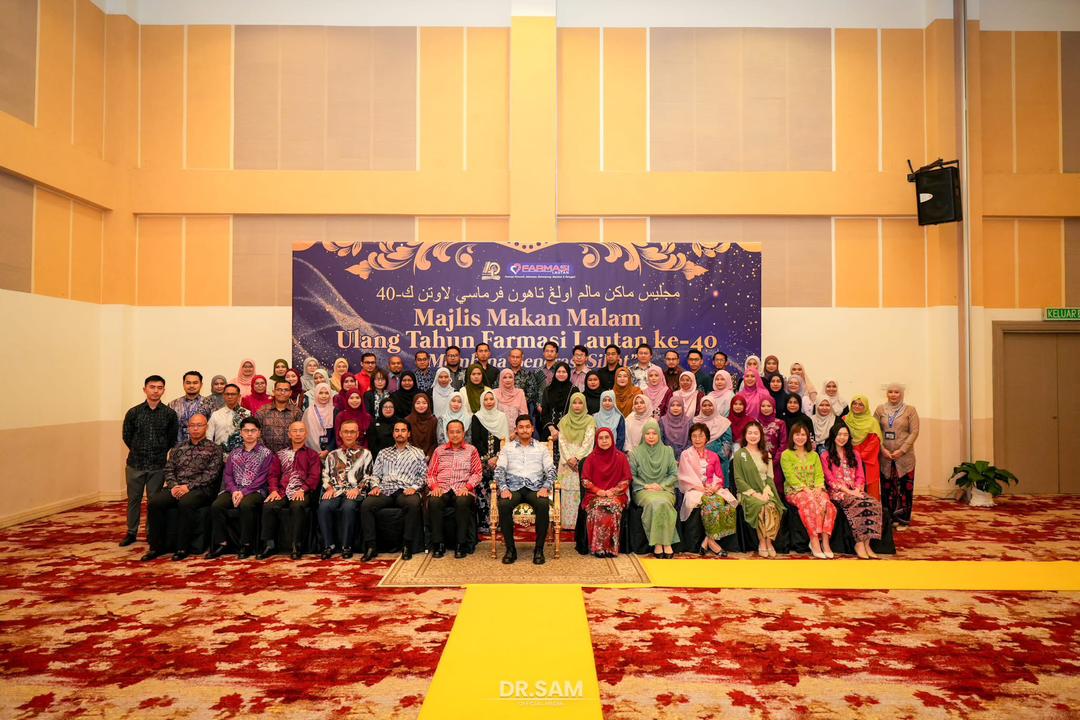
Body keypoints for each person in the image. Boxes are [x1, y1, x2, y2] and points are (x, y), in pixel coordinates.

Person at [142, 413, 222, 561]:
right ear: (188, 428)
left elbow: (211, 474)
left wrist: (188, 487)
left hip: (201, 489)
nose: (195, 429)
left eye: (199, 425)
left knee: (185, 503)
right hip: (176, 487)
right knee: (155, 502)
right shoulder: (178, 448)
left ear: (206, 427)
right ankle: (156, 547)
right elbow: (169, 469)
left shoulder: (215, 449)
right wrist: (173, 486)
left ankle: (182, 547)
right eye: (192, 425)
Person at [120, 375, 179, 547]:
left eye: (159, 388)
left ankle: (151, 532)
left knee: (154, 501)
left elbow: (171, 438)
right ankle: (131, 532)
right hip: (135, 464)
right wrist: (139, 450)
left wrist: (158, 451)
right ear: (145, 389)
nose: (155, 391)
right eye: (152, 387)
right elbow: (127, 436)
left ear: (164, 391)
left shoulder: (169, 414)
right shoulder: (133, 412)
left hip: (158, 465)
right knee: (134, 499)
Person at [207, 417, 278, 559]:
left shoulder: (266, 454)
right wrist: (235, 490)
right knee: (217, 505)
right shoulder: (234, 453)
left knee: (246, 505)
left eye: (253, 431)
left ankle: (246, 544)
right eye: (246, 430)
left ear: (259, 433)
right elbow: (228, 475)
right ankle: (222, 543)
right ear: (241, 433)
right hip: (234, 489)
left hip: (256, 490)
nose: (249, 434)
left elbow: (262, 478)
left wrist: (244, 492)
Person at [361, 419, 428, 561]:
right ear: (393, 434)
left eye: (403, 430)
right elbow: (375, 474)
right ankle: (371, 546)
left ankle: (407, 545)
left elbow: (423, 476)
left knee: (413, 503)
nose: (400, 433)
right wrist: (375, 487)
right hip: (385, 490)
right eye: (397, 430)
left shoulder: (418, 453)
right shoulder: (383, 453)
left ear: (409, 434)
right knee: (367, 505)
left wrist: (414, 488)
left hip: (406, 490)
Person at [495, 415, 556, 565]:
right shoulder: (507, 448)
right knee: (504, 504)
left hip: (535, 488)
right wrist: (503, 488)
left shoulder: (541, 448)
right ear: (516, 430)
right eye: (521, 427)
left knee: (543, 504)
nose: (524, 430)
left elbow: (551, 470)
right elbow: (499, 470)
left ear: (532, 429)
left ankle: (539, 550)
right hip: (513, 488)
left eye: (527, 427)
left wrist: (545, 487)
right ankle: (510, 549)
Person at [257, 421, 322, 560]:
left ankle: (296, 545)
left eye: (301, 431)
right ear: (289, 434)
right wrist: (273, 490)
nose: (298, 434)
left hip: (302, 491)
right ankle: (269, 545)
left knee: (297, 506)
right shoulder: (280, 454)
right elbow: (273, 475)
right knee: (269, 505)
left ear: (306, 434)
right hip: (282, 490)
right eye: (295, 431)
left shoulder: (312, 455)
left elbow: (314, 476)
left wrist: (303, 489)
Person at [821, 423, 883, 559]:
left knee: (874, 503)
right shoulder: (826, 455)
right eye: (839, 434)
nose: (842, 437)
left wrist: (857, 489)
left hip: (855, 490)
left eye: (845, 435)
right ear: (833, 436)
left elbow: (860, 475)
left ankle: (867, 544)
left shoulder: (854, 454)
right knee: (858, 504)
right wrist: (850, 492)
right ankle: (859, 543)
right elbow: (830, 480)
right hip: (838, 492)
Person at [426, 419, 483, 558]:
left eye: (458, 432)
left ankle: (461, 544)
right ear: (447, 434)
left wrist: (468, 486)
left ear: (463, 433)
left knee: (462, 501)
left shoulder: (471, 450)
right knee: (434, 501)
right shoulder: (439, 451)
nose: (455, 435)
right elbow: (431, 473)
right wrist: (435, 486)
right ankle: (438, 543)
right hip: (442, 487)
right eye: (452, 432)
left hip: (463, 487)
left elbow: (477, 473)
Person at [678, 423, 738, 556]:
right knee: (710, 503)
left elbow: (719, 476)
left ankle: (708, 540)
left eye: (701, 436)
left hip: (711, 488)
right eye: (694, 436)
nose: (697, 439)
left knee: (726, 503)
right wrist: (702, 488)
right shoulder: (686, 455)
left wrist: (713, 488)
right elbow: (685, 476)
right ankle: (713, 543)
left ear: (707, 438)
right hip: (694, 488)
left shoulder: (713, 455)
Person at [317, 419, 373, 559]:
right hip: (335, 491)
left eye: (352, 432)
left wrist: (358, 489)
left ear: (357, 434)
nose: (349, 435)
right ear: (340, 434)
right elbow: (325, 475)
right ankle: (329, 546)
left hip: (355, 491)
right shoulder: (332, 455)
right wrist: (329, 488)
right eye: (346, 432)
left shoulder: (366, 454)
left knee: (348, 507)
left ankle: (346, 546)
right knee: (324, 507)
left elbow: (368, 476)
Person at [781, 421, 836, 559]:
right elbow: (790, 477)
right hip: (795, 491)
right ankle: (814, 540)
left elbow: (819, 475)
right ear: (792, 436)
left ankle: (825, 541)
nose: (800, 437)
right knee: (811, 503)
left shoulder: (814, 455)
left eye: (803, 435)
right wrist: (805, 489)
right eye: (797, 434)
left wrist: (818, 488)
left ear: (808, 437)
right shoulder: (786, 455)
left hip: (815, 489)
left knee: (828, 505)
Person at [733, 421, 785, 557]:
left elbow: (770, 477)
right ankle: (762, 541)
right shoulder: (740, 454)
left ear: (761, 435)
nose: (753, 436)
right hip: (747, 493)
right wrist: (756, 494)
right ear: (745, 435)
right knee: (762, 507)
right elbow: (738, 479)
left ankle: (769, 541)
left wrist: (766, 492)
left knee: (772, 506)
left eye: (756, 433)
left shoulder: (766, 454)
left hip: (765, 490)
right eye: (749, 433)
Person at [630, 420, 679, 558]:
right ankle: (659, 543)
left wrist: (661, 486)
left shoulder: (667, 451)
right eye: (647, 433)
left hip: (665, 489)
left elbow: (674, 474)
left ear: (659, 434)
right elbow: (632, 476)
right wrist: (646, 486)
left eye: (654, 433)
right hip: (642, 490)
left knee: (663, 502)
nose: (651, 436)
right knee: (654, 503)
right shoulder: (635, 453)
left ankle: (666, 543)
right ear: (643, 435)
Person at [580, 427, 631, 558]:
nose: (604, 441)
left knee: (612, 506)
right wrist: (598, 491)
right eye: (601, 438)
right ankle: (598, 548)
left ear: (612, 439)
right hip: (594, 496)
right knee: (599, 507)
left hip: (617, 495)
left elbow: (626, 479)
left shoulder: (621, 457)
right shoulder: (591, 458)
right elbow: (585, 480)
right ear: (596, 441)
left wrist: (613, 491)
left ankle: (611, 548)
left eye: (607, 437)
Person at [875, 383, 920, 526]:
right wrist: (882, 450)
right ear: (886, 394)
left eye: (896, 392)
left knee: (904, 489)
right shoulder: (880, 409)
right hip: (885, 457)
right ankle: (889, 520)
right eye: (890, 392)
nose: (893, 395)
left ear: (902, 394)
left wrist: (902, 450)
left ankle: (903, 520)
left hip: (904, 458)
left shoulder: (910, 410)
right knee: (887, 489)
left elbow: (914, 432)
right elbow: (874, 431)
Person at [470, 388, 509, 535]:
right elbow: (476, 441)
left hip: (500, 459)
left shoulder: (502, 417)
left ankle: (500, 523)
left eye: (491, 399)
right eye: (485, 399)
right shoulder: (477, 417)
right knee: (483, 489)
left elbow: (505, 440)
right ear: (482, 401)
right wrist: (488, 459)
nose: (488, 402)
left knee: (500, 487)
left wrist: (497, 457)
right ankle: (484, 524)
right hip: (482, 461)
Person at [556, 392, 596, 530]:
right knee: (566, 491)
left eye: (580, 403)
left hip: (582, 461)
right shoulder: (564, 421)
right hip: (566, 463)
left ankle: (580, 524)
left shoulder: (590, 420)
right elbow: (561, 442)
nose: (577, 406)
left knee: (580, 490)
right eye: (574, 403)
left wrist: (577, 458)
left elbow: (588, 442)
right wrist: (569, 459)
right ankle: (566, 523)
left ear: (584, 404)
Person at [846, 394, 884, 500]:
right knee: (852, 486)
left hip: (868, 461)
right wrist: (850, 455)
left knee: (870, 489)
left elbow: (874, 442)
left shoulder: (872, 422)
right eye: (854, 403)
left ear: (866, 407)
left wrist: (860, 456)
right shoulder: (846, 419)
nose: (857, 406)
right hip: (850, 459)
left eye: (861, 404)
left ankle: (873, 510)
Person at [256, 380, 304, 453]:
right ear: (274, 392)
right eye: (279, 390)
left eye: (286, 390)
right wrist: (265, 452)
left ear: (290, 393)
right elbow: (256, 433)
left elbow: (300, 435)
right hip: (266, 455)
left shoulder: (296, 412)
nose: (282, 393)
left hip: (290, 455)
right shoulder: (263, 411)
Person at [169, 371, 215, 446]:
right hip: (178, 448)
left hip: (203, 449)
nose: (191, 386)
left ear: (201, 385)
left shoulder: (209, 404)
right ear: (183, 384)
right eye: (188, 383)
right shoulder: (173, 404)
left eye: (195, 383)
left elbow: (213, 428)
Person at [697, 397, 734, 481]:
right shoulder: (696, 422)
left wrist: (715, 457)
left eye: (710, 405)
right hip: (699, 458)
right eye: (704, 405)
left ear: (715, 406)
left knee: (718, 485)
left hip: (720, 460)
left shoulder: (724, 422)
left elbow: (728, 443)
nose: (707, 408)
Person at [758, 398, 788, 497]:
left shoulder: (780, 423)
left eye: (769, 406)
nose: (766, 408)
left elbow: (783, 444)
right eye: (763, 406)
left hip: (776, 461)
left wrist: (774, 461)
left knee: (776, 488)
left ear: (773, 407)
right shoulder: (756, 423)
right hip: (759, 460)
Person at [208, 383, 250, 453]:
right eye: (227, 394)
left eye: (233, 394)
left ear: (239, 396)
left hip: (241, 454)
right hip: (219, 454)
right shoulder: (216, 414)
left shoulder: (246, 414)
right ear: (223, 396)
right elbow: (208, 437)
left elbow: (251, 436)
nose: (230, 396)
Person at [538, 361, 573, 442]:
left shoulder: (573, 390)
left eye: (564, 372)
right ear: (555, 373)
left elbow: (574, 413)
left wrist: (561, 431)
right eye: (558, 371)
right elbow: (544, 412)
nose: (561, 374)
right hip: (549, 430)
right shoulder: (548, 390)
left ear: (568, 374)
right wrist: (552, 429)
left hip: (567, 431)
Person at [303, 382, 336, 458]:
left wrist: (328, 450)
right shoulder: (308, 411)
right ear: (316, 394)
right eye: (320, 393)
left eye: (327, 393)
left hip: (331, 453)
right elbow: (305, 433)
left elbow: (337, 434)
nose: (324, 396)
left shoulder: (335, 411)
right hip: (311, 452)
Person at [506, 347, 544, 415]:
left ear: (521, 359)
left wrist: (519, 402)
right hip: (505, 409)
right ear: (509, 358)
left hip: (523, 409)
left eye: (517, 357)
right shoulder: (503, 374)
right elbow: (497, 389)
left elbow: (532, 392)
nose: (515, 359)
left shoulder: (528, 374)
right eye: (513, 357)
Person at [405, 393, 439, 458]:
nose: (421, 406)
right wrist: (415, 455)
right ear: (413, 404)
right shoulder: (408, 420)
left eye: (424, 403)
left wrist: (429, 455)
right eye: (418, 403)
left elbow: (435, 442)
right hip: (411, 456)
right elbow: (407, 441)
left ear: (428, 404)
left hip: (430, 456)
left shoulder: (433, 420)